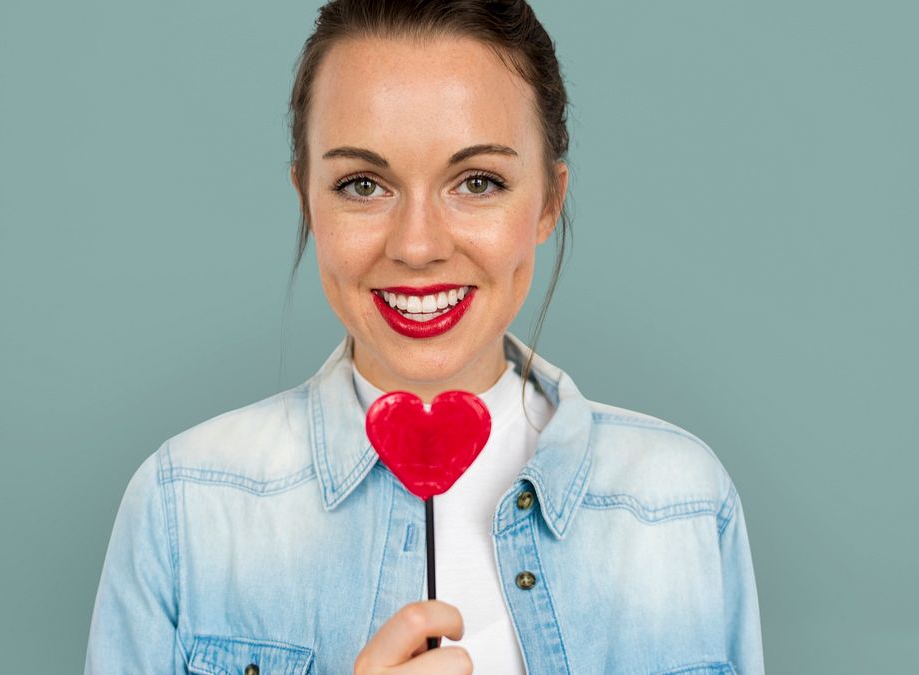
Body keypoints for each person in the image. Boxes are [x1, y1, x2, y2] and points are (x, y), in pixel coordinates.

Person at [84, 1, 765, 673]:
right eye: (362, 184)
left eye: (477, 181)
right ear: (306, 201)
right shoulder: (184, 506)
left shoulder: (684, 501)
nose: (416, 245)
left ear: (549, 203)